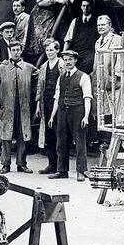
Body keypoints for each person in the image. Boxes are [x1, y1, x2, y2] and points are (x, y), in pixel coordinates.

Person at [0, 40, 36, 174]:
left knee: (22, 135)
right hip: (7, 107)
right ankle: (6, 164)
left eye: (18, 50)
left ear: (21, 51)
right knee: (6, 136)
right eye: (13, 50)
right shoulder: (1, 68)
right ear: (10, 51)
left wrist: (34, 97)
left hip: (23, 107)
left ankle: (22, 164)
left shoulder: (28, 68)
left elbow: (39, 80)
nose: (16, 52)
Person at [49, 50, 93, 181]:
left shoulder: (83, 76)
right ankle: (62, 170)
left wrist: (85, 116)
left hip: (77, 111)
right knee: (61, 141)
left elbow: (87, 98)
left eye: (70, 59)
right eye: (65, 60)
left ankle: (81, 170)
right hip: (63, 111)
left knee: (80, 141)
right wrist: (52, 116)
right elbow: (57, 97)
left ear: (75, 60)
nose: (67, 62)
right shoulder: (61, 77)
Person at [35, 39, 65, 175]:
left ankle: (61, 167)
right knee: (49, 135)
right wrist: (37, 105)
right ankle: (51, 164)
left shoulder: (62, 65)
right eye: (47, 50)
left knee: (60, 134)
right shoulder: (43, 66)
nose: (49, 52)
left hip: (59, 104)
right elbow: (39, 88)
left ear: (57, 50)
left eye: (52, 50)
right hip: (46, 104)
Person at [92, 15, 124, 123]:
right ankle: (105, 138)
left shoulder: (117, 39)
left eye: (103, 25)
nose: (100, 27)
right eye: (98, 25)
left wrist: (116, 76)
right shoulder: (97, 42)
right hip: (101, 79)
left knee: (116, 110)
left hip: (114, 81)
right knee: (103, 110)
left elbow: (121, 58)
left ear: (110, 25)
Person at [63, 0, 97, 73]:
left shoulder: (96, 21)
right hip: (76, 52)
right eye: (84, 6)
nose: (86, 8)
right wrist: (64, 54)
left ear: (91, 7)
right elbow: (68, 40)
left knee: (89, 63)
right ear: (81, 7)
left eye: (88, 6)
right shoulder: (75, 21)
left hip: (89, 52)